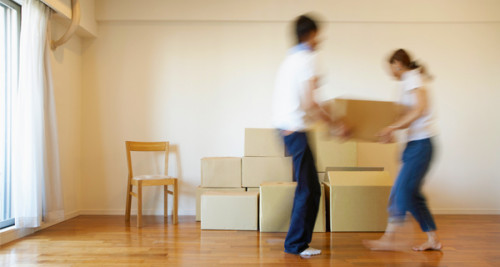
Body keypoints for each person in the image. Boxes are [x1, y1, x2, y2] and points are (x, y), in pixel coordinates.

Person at [272, 14, 347, 256]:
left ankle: (297, 243)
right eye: (318, 34)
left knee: (310, 187)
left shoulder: (291, 58)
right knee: (308, 188)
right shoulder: (307, 58)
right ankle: (295, 245)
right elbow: (310, 103)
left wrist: (329, 119)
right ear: (311, 34)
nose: (320, 39)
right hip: (294, 129)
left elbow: (309, 103)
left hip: (288, 128)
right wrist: (336, 124)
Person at [365, 49, 442, 251]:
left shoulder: (412, 78)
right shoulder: (408, 81)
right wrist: (392, 128)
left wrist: (393, 127)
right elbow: (409, 115)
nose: (389, 72)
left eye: (389, 67)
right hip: (415, 144)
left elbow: (420, 109)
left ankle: (390, 239)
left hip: (422, 145)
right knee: (412, 194)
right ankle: (433, 240)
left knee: (402, 192)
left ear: (397, 63)